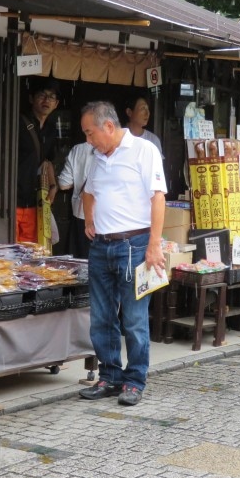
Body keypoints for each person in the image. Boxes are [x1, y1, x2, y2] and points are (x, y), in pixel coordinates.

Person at [78, 101, 166, 406]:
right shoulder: (97, 157)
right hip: (101, 245)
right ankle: (110, 375)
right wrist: (90, 218)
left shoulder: (144, 150)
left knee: (134, 318)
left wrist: (155, 245)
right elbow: (88, 191)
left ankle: (135, 379)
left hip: (135, 245)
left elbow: (158, 198)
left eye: (90, 133)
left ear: (109, 127)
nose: (88, 140)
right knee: (101, 317)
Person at [16, 79, 60, 243]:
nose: (46, 100)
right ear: (31, 98)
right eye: (42, 95)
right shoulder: (18, 123)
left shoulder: (51, 130)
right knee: (11, 250)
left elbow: (48, 160)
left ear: (56, 104)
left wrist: (53, 185)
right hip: (13, 198)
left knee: (29, 252)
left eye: (51, 97)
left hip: (34, 200)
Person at [58, 140, 94, 259]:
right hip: (111, 222)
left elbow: (64, 183)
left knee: (81, 263)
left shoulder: (78, 150)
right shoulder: (117, 149)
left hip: (82, 216)